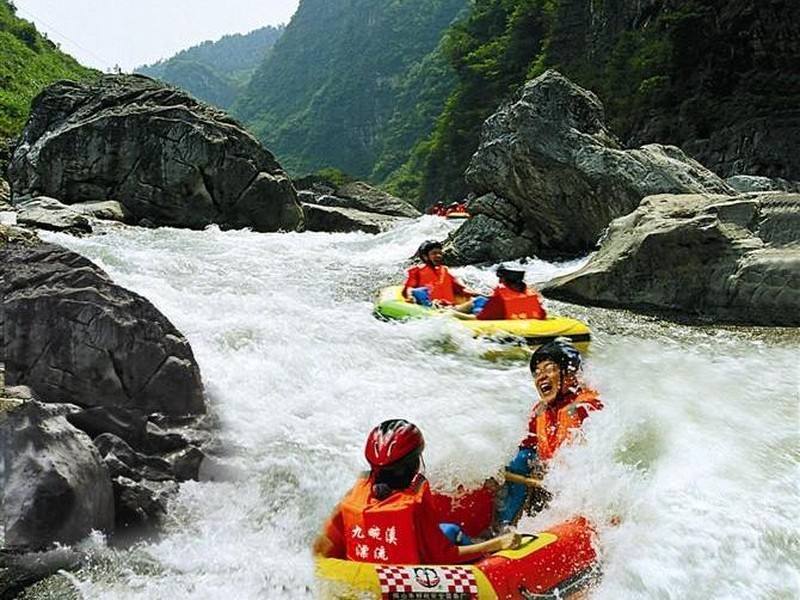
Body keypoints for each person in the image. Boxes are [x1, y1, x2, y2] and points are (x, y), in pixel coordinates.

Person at [313, 419, 520, 564]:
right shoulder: (414, 504)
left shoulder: (354, 496)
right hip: (410, 579)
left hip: (364, 575)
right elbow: (444, 557)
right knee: (453, 532)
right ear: (414, 463)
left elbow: (322, 548)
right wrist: (497, 544)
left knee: (447, 529)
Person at [497, 340, 602, 527]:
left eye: (549, 369)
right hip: (547, 483)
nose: (541, 377)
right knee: (520, 459)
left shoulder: (587, 405)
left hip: (576, 491)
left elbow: (591, 461)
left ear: (569, 373)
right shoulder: (540, 411)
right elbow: (527, 450)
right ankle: (503, 528)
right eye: (536, 373)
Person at [453, 265, 547, 321]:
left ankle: (453, 310)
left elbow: (481, 318)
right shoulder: (531, 294)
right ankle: (455, 308)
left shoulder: (500, 297)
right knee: (482, 299)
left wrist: (453, 315)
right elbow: (542, 314)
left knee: (478, 301)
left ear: (503, 279)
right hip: (521, 320)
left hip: (498, 320)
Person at [402, 240, 477, 306]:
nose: (438, 256)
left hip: (450, 307)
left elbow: (461, 289)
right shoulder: (417, 271)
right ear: (425, 257)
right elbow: (410, 288)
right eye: (434, 253)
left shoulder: (445, 270)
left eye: (440, 253)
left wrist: (479, 295)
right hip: (432, 306)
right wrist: (410, 297)